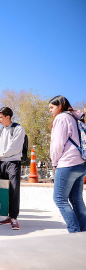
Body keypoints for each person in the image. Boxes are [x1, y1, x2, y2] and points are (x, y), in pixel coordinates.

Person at [49, 95, 86, 233]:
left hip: (67, 163)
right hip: (81, 163)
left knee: (59, 199)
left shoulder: (61, 118)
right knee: (77, 199)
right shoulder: (75, 118)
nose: (50, 110)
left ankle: (74, 232)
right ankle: (83, 231)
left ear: (60, 105)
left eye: (52, 107)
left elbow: (57, 144)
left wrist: (55, 162)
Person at [0, 107, 25, 230]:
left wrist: (1, 155)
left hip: (13, 163)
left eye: (0, 117)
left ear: (8, 117)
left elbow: (15, 147)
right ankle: (8, 216)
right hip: (2, 164)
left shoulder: (18, 129)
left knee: (14, 190)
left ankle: (14, 217)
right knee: (4, 192)